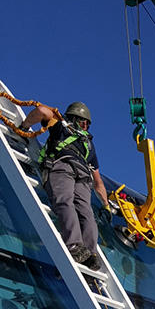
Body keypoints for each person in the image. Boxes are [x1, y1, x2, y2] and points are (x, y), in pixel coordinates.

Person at [21, 100, 109, 270]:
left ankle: (75, 245)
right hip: (84, 177)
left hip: (63, 166)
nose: (85, 126)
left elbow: (40, 111)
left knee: (64, 202)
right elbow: (98, 182)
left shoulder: (61, 126)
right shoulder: (89, 145)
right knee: (86, 212)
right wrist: (105, 205)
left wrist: (24, 127)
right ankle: (91, 254)